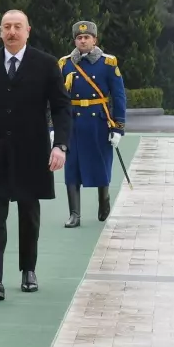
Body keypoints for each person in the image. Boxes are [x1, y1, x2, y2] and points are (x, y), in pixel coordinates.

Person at [0, 10, 71, 300]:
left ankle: (28, 270)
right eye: (7, 27)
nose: (12, 32)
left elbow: (61, 107)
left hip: (32, 150)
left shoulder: (46, 64)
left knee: (29, 213)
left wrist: (60, 145)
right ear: (0, 32)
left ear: (28, 31)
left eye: (17, 27)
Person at [59, 21, 127, 227]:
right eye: (79, 38)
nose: (82, 40)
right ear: (75, 40)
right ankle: (74, 214)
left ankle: (103, 201)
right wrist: (55, 127)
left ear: (94, 40)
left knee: (101, 165)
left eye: (87, 37)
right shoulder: (65, 63)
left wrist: (118, 127)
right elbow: (56, 98)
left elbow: (118, 96)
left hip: (99, 122)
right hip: (74, 123)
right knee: (71, 167)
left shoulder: (108, 63)